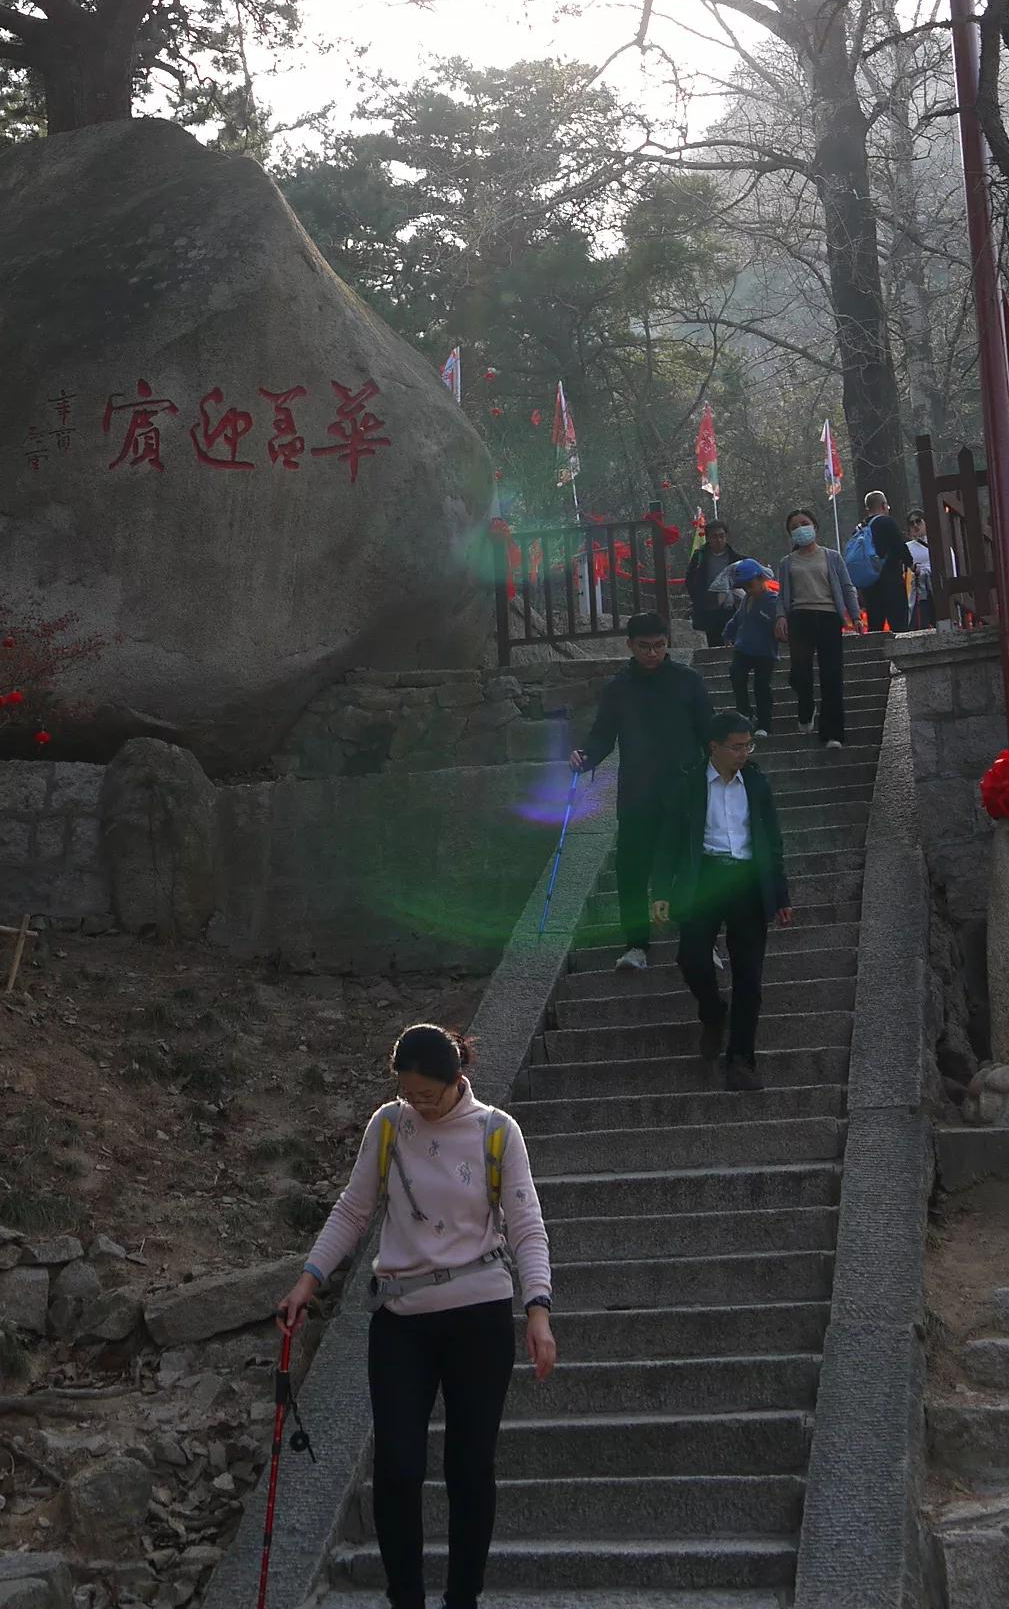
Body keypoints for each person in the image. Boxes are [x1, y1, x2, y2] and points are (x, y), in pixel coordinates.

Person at [278, 1022, 556, 1609]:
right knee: (399, 1466)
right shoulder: (388, 1126)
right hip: (401, 1318)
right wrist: (308, 1280)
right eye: (409, 1093)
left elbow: (527, 1226)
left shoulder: (497, 1133)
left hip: (478, 1314)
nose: (419, 1105)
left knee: (469, 1466)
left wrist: (538, 1308)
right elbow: (354, 1210)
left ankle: (463, 1599)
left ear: (457, 1079)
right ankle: (406, 1597)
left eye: (428, 1094)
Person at [651, 711, 792, 1091]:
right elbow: (670, 841)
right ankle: (713, 1011)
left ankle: (742, 1061)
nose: (743, 753)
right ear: (714, 747)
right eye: (736, 746)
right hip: (705, 880)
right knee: (692, 958)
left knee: (750, 977)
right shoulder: (690, 784)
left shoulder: (756, 782)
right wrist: (661, 890)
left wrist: (780, 894)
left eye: (748, 745)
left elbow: (772, 841)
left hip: (747, 881)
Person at [571, 614, 714, 972]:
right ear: (630, 646)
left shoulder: (688, 681)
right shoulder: (619, 688)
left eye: (660, 646)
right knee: (632, 869)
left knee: (690, 867)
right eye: (645, 647)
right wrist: (584, 757)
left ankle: (699, 942)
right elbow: (603, 734)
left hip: (682, 789)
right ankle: (636, 946)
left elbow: (708, 731)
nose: (653, 653)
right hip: (637, 792)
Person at [777, 508, 857, 751]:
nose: (801, 529)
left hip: (829, 617)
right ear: (790, 534)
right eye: (795, 527)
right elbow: (781, 594)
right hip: (799, 618)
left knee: (831, 675)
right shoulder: (787, 562)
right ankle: (806, 708)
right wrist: (780, 617)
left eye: (805, 523)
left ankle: (832, 733)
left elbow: (846, 586)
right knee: (800, 671)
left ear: (815, 526)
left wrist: (854, 615)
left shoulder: (831, 557)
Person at [719, 558, 783, 740]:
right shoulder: (747, 599)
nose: (747, 589)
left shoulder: (773, 601)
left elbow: (782, 624)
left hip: (765, 652)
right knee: (736, 676)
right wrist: (728, 633)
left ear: (762, 578)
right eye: (743, 586)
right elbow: (738, 619)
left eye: (750, 584)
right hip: (743, 648)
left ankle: (764, 723)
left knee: (762, 686)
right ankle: (744, 713)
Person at [684, 518, 745, 647]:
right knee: (714, 644)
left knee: (735, 641)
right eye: (714, 536)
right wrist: (698, 600)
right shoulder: (699, 557)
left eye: (721, 536)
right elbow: (689, 580)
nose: (718, 540)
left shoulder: (737, 558)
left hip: (731, 607)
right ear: (708, 538)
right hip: (709, 608)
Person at [862, 489, 911, 634]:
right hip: (891, 580)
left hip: (870, 583)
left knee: (875, 626)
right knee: (899, 624)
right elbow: (899, 546)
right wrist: (911, 564)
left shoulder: (861, 527)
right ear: (884, 505)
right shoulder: (886, 522)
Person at [906, 511, 935, 628]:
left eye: (918, 521)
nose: (915, 525)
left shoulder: (938, 544)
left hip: (937, 597)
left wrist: (923, 571)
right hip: (917, 599)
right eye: (911, 523)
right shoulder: (907, 548)